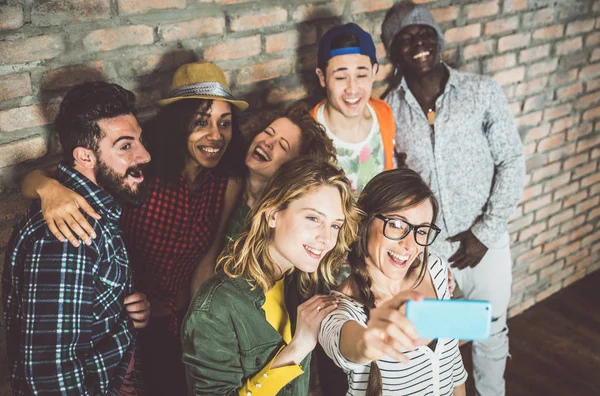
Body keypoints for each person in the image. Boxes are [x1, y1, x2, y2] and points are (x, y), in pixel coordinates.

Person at [19, 62, 248, 396]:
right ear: (180, 123)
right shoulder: (138, 171)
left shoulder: (225, 183)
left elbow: (207, 261)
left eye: (224, 124)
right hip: (128, 323)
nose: (215, 135)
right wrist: (47, 189)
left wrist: (192, 322)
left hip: (180, 318)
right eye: (201, 121)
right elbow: (58, 173)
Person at [382, 2, 526, 395]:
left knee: (490, 327)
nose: (419, 43)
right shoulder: (388, 110)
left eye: (425, 33)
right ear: (393, 52)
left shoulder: (481, 92)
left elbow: (511, 162)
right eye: (405, 38)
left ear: (439, 40)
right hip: (426, 250)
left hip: (485, 241)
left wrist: (485, 232)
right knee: (432, 335)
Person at [2, 82, 151, 395]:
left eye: (139, 140)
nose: (145, 155)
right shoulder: (67, 236)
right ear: (86, 156)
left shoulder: (94, 203)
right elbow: (49, 377)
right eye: (125, 146)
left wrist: (122, 312)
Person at [181, 156, 360, 395]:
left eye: (335, 225)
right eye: (313, 218)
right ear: (273, 213)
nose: (326, 238)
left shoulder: (303, 284)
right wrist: (297, 348)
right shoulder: (215, 307)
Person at [319, 168, 467, 396]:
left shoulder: (436, 269)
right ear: (365, 221)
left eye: (422, 230)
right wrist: (368, 342)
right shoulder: (338, 310)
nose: (410, 245)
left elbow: (453, 366)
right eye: (397, 224)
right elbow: (350, 344)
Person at [222, 103, 336, 245]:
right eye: (268, 132)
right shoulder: (224, 183)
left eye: (282, 145)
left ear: (293, 165)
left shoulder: (281, 218)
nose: (267, 142)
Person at [312, 23, 396, 192]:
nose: (352, 89)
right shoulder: (308, 132)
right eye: (341, 77)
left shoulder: (383, 113)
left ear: (374, 72)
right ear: (322, 78)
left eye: (361, 75)